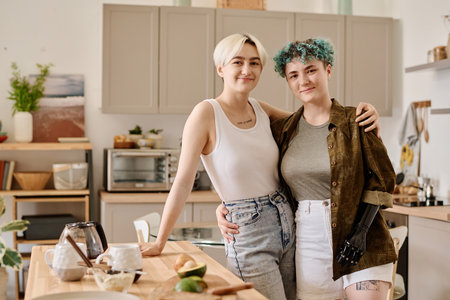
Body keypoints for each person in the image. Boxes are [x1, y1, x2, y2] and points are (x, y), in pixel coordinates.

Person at [139, 33, 380, 300]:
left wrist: (363, 115)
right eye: (237, 62)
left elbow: (315, 122)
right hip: (249, 231)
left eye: (254, 63)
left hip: (289, 222)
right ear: (220, 68)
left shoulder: (260, 109)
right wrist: (161, 240)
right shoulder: (205, 113)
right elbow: (183, 182)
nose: (247, 69)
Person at [217, 38, 396, 300]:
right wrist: (226, 205)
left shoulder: (356, 120)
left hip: (363, 237)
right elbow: (253, 172)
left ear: (328, 70)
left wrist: (359, 233)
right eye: (293, 75)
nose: (304, 80)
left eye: (311, 70)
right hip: (309, 240)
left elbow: (383, 180)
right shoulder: (283, 130)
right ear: (288, 81)